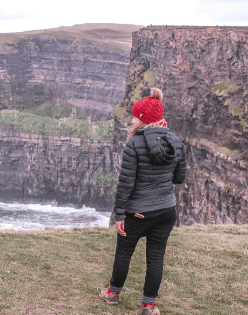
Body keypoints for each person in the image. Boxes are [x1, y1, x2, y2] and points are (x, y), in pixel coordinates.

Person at [99, 87, 187, 315]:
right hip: (166, 210)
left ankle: (113, 293)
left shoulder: (134, 144)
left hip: (138, 212)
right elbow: (179, 178)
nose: (132, 118)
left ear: (143, 119)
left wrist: (119, 214)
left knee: (124, 253)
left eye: (135, 115)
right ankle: (149, 306)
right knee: (156, 256)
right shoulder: (177, 143)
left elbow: (126, 184)